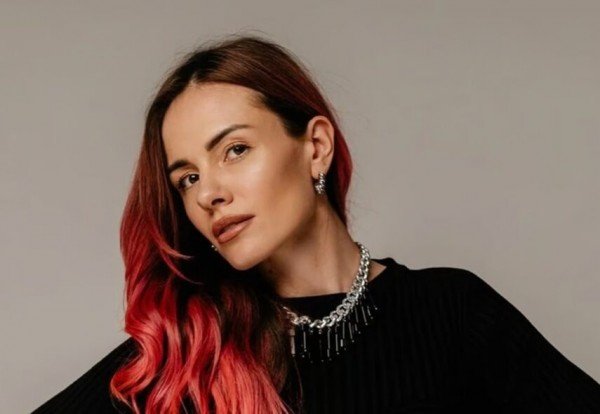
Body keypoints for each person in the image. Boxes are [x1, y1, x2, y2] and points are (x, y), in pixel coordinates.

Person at [33, 34, 600, 414]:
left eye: (234, 150)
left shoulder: (451, 312)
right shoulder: (190, 349)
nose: (208, 193)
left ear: (316, 148)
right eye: (187, 177)